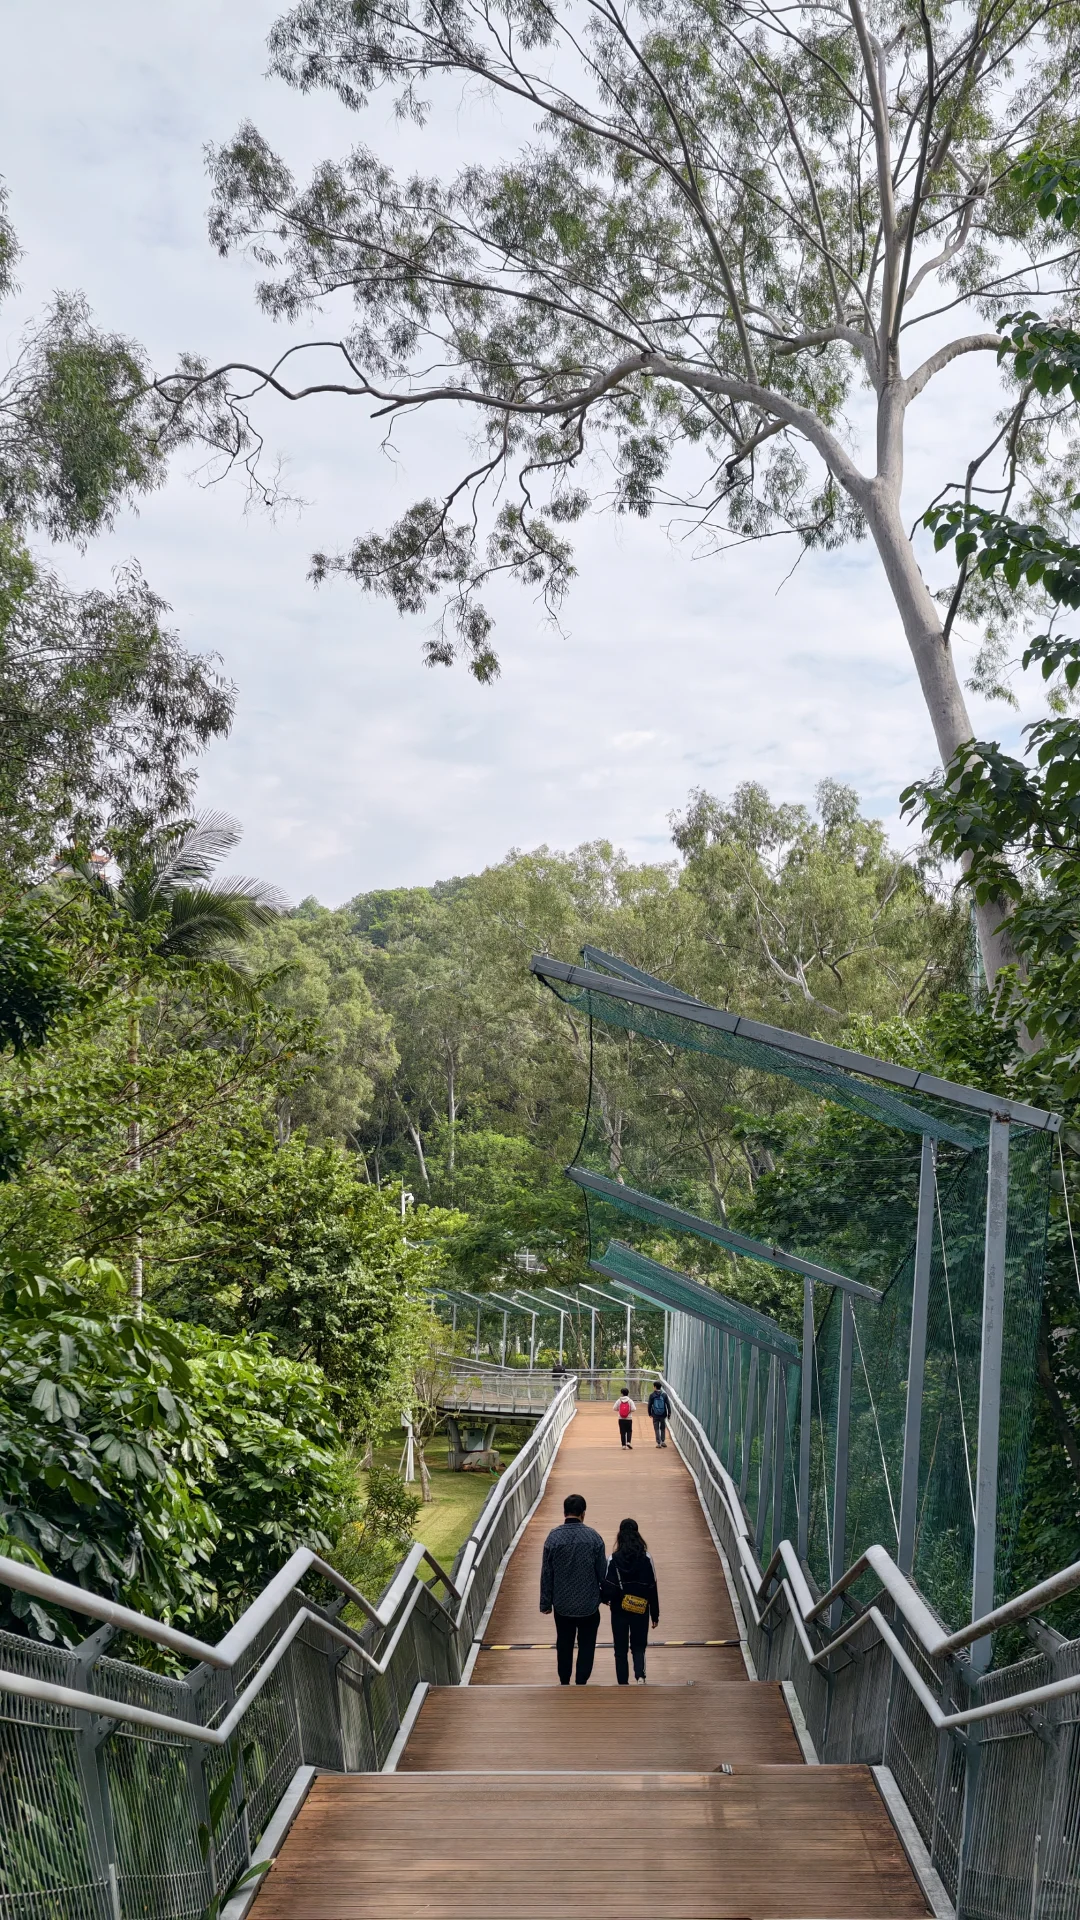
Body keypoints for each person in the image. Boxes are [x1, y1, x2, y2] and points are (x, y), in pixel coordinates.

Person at [539, 1492, 607, 1685]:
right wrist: (606, 1597)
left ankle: (564, 1680)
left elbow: (547, 1573)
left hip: (562, 1604)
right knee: (587, 1645)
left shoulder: (553, 1538)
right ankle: (581, 1681)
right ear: (583, 1513)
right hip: (589, 1605)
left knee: (564, 1643)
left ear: (565, 1512)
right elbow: (603, 1572)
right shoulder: (594, 1538)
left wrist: (546, 1602)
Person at [605, 1517, 659, 1684]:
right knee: (638, 1645)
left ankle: (622, 1682)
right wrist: (655, 1615)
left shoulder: (613, 1559)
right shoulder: (646, 1558)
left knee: (620, 1649)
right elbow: (652, 1586)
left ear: (620, 1534)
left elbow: (609, 1586)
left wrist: (605, 1599)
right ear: (637, 1534)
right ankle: (640, 1676)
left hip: (619, 1610)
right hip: (641, 1609)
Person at [647, 1382, 670, 1448]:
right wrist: (669, 1413)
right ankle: (663, 1441)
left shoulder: (652, 1395)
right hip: (663, 1414)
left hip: (655, 1414)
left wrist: (650, 1413)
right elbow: (668, 1404)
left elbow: (649, 1405)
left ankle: (658, 1443)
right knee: (662, 1428)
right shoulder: (664, 1395)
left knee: (656, 1428)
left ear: (654, 1387)